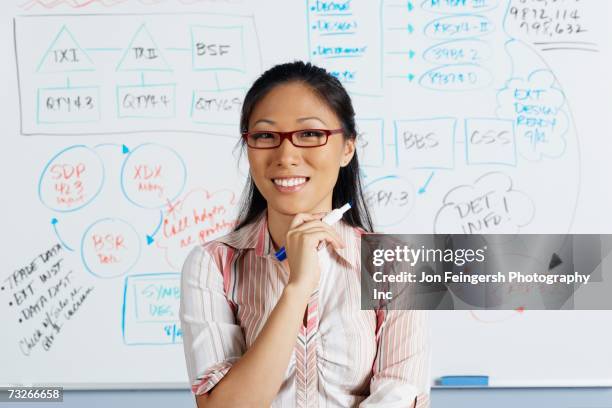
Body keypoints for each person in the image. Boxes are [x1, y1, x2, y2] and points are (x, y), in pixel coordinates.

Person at [179, 60, 431, 407]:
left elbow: (401, 397)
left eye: (310, 134)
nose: (286, 156)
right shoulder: (213, 264)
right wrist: (297, 288)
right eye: (265, 135)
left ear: (347, 148)